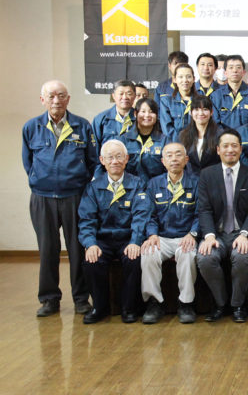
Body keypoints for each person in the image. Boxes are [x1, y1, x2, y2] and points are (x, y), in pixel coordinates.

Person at [22, 80, 96, 317]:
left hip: (75, 196)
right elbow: (28, 163)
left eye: (61, 96)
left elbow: (93, 162)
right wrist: (41, 181)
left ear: (68, 99)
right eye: (51, 96)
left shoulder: (82, 126)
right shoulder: (31, 127)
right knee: (47, 250)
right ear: (42, 100)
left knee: (78, 248)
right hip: (43, 198)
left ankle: (81, 298)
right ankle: (49, 299)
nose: (56, 100)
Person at [78, 139, 152, 324]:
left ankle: (129, 308)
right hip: (102, 239)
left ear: (127, 159)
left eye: (119, 156)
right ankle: (99, 307)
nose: (115, 161)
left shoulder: (137, 184)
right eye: (110, 157)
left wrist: (136, 241)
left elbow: (141, 216)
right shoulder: (93, 187)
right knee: (91, 261)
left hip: (127, 237)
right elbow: (86, 220)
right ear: (102, 160)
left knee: (134, 259)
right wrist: (90, 244)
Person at [196, 129, 248, 323]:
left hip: (242, 233)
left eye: (234, 146)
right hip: (216, 233)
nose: (230, 150)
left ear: (241, 149)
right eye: (225, 146)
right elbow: (205, 209)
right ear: (218, 150)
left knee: (242, 256)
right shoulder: (207, 175)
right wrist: (208, 235)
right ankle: (220, 303)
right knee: (205, 257)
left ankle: (237, 305)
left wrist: (245, 234)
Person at [140, 142, 199, 324]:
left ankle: (186, 303)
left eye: (178, 155)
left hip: (186, 236)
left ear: (186, 159)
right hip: (162, 237)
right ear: (163, 161)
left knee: (187, 255)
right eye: (169, 156)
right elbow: (148, 214)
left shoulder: (196, 183)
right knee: (148, 253)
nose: (174, 159)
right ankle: (155, 303)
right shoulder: (153, 184)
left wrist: (193, 234)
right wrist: (152, 234)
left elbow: (201, 213)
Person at [121, 98, 170, 183]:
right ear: (135, 114)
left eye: (151, 112)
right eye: (143, 111)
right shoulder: (124, 140)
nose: (147, 115)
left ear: (156, 115)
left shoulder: (164, 141)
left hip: (155, 188)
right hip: (129, 189)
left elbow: (169, 169)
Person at [178, 95, 223, 175]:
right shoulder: (183, 135)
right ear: (191, 112)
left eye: (205, 109)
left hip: (213, 180)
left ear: (211, 112)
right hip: (191, 182)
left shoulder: (220, 135)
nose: (201, 113)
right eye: (196, 109)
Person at [92, 80, 136, 153]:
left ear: (134, 96)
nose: (125, 97)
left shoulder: (140, 119)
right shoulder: (101, 119)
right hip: (109, 164)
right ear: (113, 96)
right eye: (121, 94)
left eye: (129, 93)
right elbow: (94, 149)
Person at [210, 54, 248, 129]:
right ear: (225, 73)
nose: (235, 70)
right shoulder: (216, 96)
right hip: (224, 139)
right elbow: (214, 123)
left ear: (243, 72)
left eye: (238, 67)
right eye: (231, 67)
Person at [159, 63, 196, 137]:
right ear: (175, 79)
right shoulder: (166, 101)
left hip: (196, 145)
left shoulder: (201, 101)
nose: (185, 80)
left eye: (188, 77)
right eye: (180, 77)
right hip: (174, 145)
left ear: (194, 79)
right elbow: (167, 129)